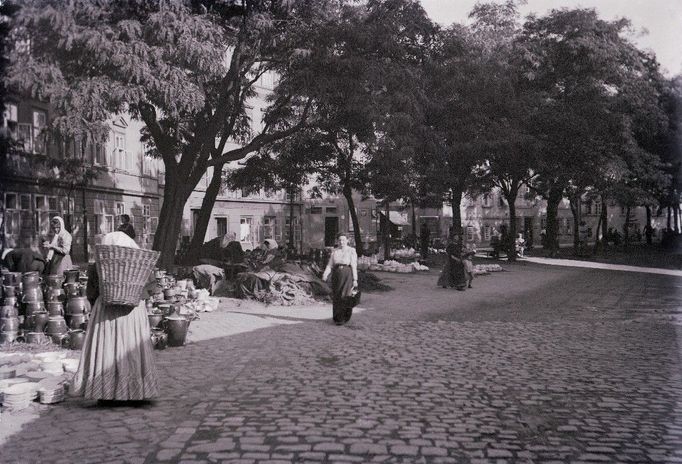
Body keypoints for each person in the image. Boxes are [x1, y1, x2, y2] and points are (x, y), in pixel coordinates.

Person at [71, 231, 159, 403]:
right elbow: (152, 288)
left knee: (108, 348)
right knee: (131, 347)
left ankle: (106, 391)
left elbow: (92, 292)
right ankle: (136, 392)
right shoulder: (140, 263)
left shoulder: (99, 264)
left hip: (106, 311)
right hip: (133, 312)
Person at [322, 233, 359, 325]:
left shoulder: (351, 250)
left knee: (345, 295)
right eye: (339, 240)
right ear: (337, 241)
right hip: (337, 275)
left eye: (343, 240)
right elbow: (330, 264)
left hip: (347, 274)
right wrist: (325, 274)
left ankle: (344, 317)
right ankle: (337, 318)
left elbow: (354, 265)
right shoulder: (335, 251)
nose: (341, 242)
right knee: (337, 295)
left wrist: (355, 279)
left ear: (347, 240)